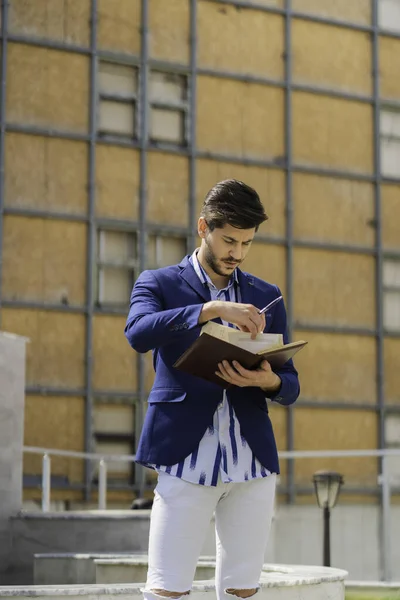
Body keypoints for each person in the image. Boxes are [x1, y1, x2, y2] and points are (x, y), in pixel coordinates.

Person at [125, 179, 300, 600]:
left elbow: (290, 383)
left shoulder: (266, 295)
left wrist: (269, 381)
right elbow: (137, 333)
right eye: (228, 240)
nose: (236, 253)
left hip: (251, 462)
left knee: (243, 592)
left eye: (246, 243)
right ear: (203, 227)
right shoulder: (160, 282)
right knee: (166, 589)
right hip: (185, 458)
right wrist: (210, 309)